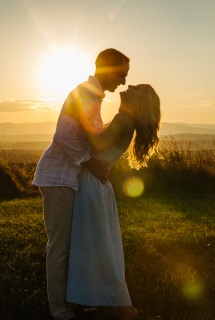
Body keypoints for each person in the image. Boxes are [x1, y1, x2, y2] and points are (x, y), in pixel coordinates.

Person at [33, 48, 130, 320]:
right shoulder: (85, 93)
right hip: (58, 178)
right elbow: (63, 135)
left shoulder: (93, 95)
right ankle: (60, 311)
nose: (123, 81)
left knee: (73, 245)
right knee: (60, 247)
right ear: (109, 70)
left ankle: (75, 299)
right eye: (122, 74)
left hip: (70, 179)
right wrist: (90, 161)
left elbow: (91, 136)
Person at [67, 84, 161, 320]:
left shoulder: (122, 119)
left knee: (98, 247)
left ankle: (123, 308)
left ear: (138, 100)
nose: (128, 86)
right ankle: (111, 305)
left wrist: (81, 115)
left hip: (92, 185)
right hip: (98, 184)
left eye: (134, 88)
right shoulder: (125, 120)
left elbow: (98, 144)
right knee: (100, 246)